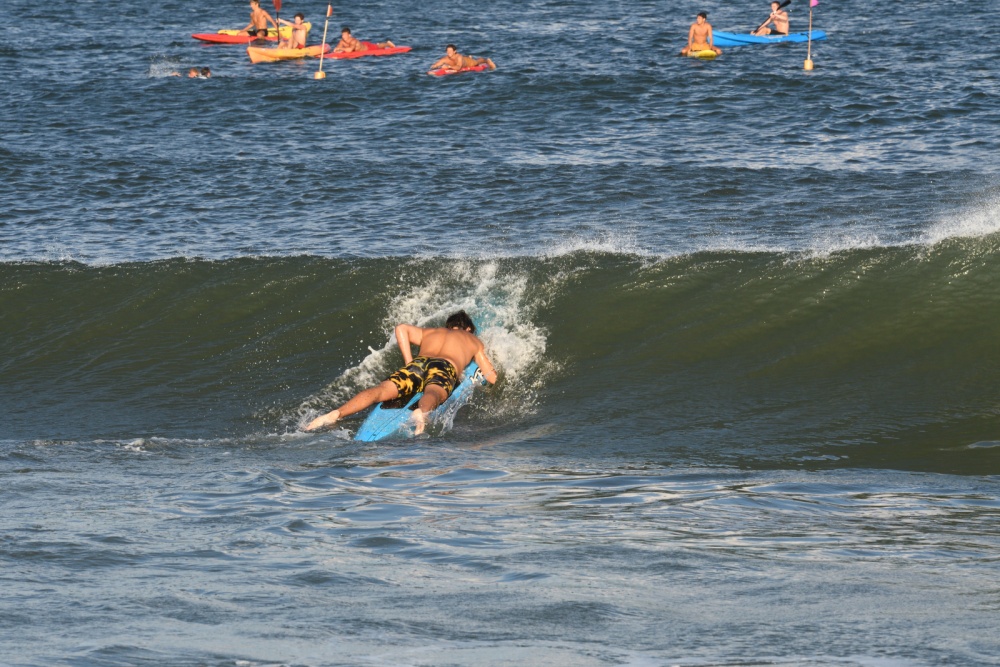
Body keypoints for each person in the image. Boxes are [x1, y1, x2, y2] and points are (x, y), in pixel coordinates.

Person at [305, 311, 498, 434]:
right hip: (444, 366)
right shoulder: (473, 341)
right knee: (434, 392)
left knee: (380, 391)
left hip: (418, 364)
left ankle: (335, 413)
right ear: (468, 328)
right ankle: (421, 413)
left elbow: (401, 328)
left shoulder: (431, 332)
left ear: (448, 326)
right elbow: (490, 376)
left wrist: (409, 362)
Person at [428, 44, 495, 73]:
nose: (449, 52)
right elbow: (437, 64)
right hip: (462, 61)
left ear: (454, 51)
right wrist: (434, 66)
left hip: (468, 63)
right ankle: (469, 57)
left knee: (476, 62)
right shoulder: (445, 59)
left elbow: (458, 67)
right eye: (447, 51)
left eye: (450, 51)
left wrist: (448, 67)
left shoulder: (459, 56)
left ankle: (487, 60)